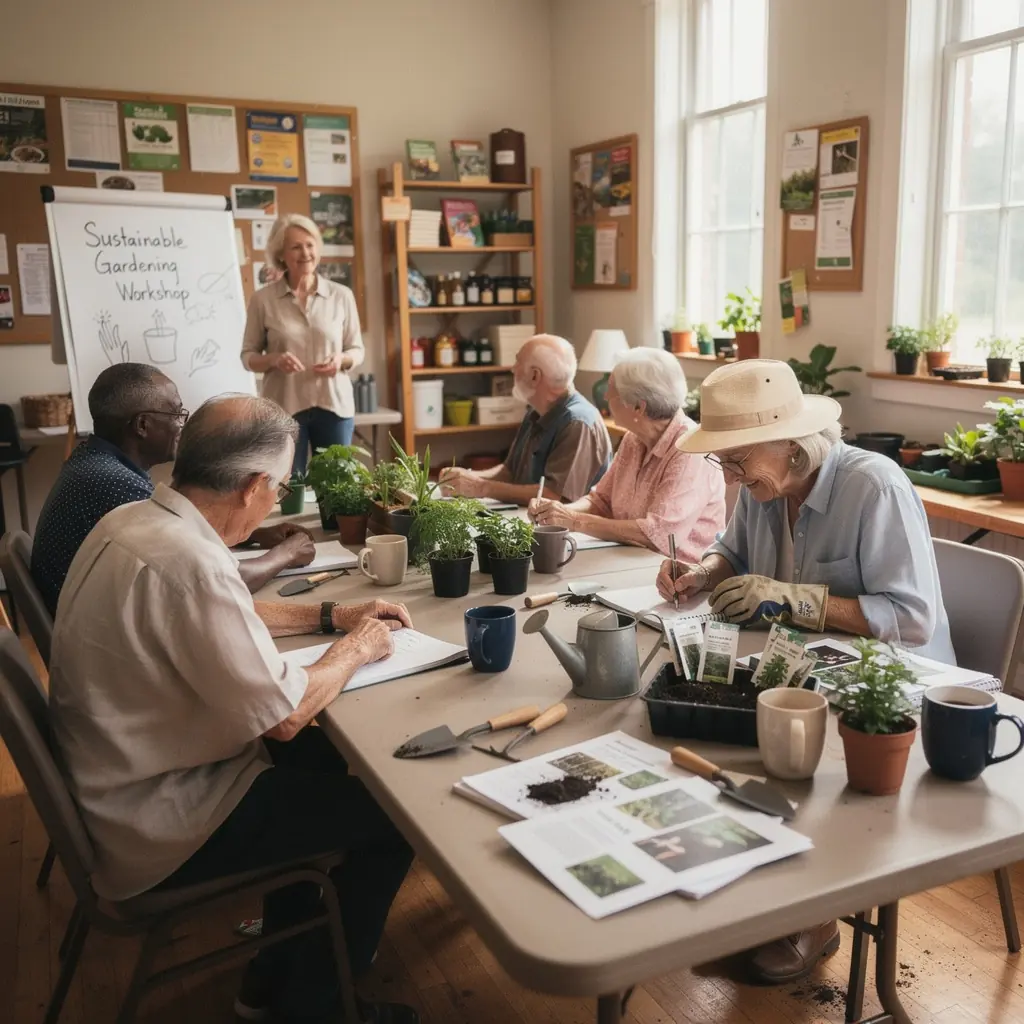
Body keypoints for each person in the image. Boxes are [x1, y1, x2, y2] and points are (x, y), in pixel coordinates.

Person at [49, 395, 417, 1024]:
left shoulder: (137, 520)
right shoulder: (190, 562)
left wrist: (332, 614)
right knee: (394, 818)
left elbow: (228, 612)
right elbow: (284, 714)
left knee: (324, 762)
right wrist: (356, 647)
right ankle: (320, 1009)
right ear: (252, 487)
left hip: (128, 771)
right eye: (277, 486)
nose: (276, 498)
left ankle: (272, 978)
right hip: (163, 816)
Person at [655, 358, 954, 985]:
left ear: (793, 444)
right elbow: (731, 552)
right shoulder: (763, 487)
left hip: (892, 685)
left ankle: (813, 917)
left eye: (738, 459)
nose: (731, 474)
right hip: (804, 667)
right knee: (717, 734)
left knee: (785, 748)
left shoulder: (874, 487)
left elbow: (915, 618)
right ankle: (756, 899)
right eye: (723, 462)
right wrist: (703, 572)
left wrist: (798, 599)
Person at [31, 363, 314, 616]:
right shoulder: (117, 486)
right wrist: (286, 554)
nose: (183, 424)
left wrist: (257, 535)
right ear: (143, 425)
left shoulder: (96, 463)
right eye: (177, 412)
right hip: (98, 628)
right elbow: (215, 581)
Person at [528, 348, 725, 556]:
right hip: (629, 559)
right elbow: (601, 501)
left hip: (677, 575)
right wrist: (557, 510)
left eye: (612, 391)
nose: (605, 395)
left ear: (638, 408)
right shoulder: (634, 438)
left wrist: (574, 521)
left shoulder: (690, 450)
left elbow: (658, 534)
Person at [241, 213, 365, 476]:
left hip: (334, 406)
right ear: (281, 253)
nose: (305, 252)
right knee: (288, 487)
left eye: (310, 244)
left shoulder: (342, 296)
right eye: (296, 246)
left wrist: (340, 360)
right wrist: (273, 359)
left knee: (337, 491)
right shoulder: (263, 300)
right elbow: (248, 356)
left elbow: (357, 349)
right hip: (284, 408)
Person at [438, 333, 612, 504]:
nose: (513, 369)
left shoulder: (577, 423)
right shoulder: (535, 411)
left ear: (535, 376)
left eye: (518, 362)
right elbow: (509, 472)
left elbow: (554, 496)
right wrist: (466, 477)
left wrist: (482, 487)